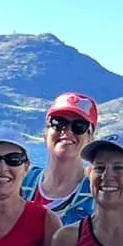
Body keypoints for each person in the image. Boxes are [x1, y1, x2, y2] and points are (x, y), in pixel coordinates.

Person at [24, 93, 99, 225]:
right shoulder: (22, 183)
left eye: (79, 126)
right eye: (58, 123)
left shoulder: (98, 193)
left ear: (90, 138)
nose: (68, 131)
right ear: (45, 134)